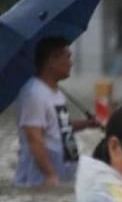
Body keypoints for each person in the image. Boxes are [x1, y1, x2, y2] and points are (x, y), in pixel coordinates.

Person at [14, 36, 99, 187]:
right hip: (39, 179)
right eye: (67, 57)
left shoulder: (55, 92)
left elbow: (59, 127)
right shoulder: (34, 93)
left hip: (63, 170)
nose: (71, 63)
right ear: (52, 61)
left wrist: (86, 124)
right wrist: (50, 175)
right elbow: (34, 138)